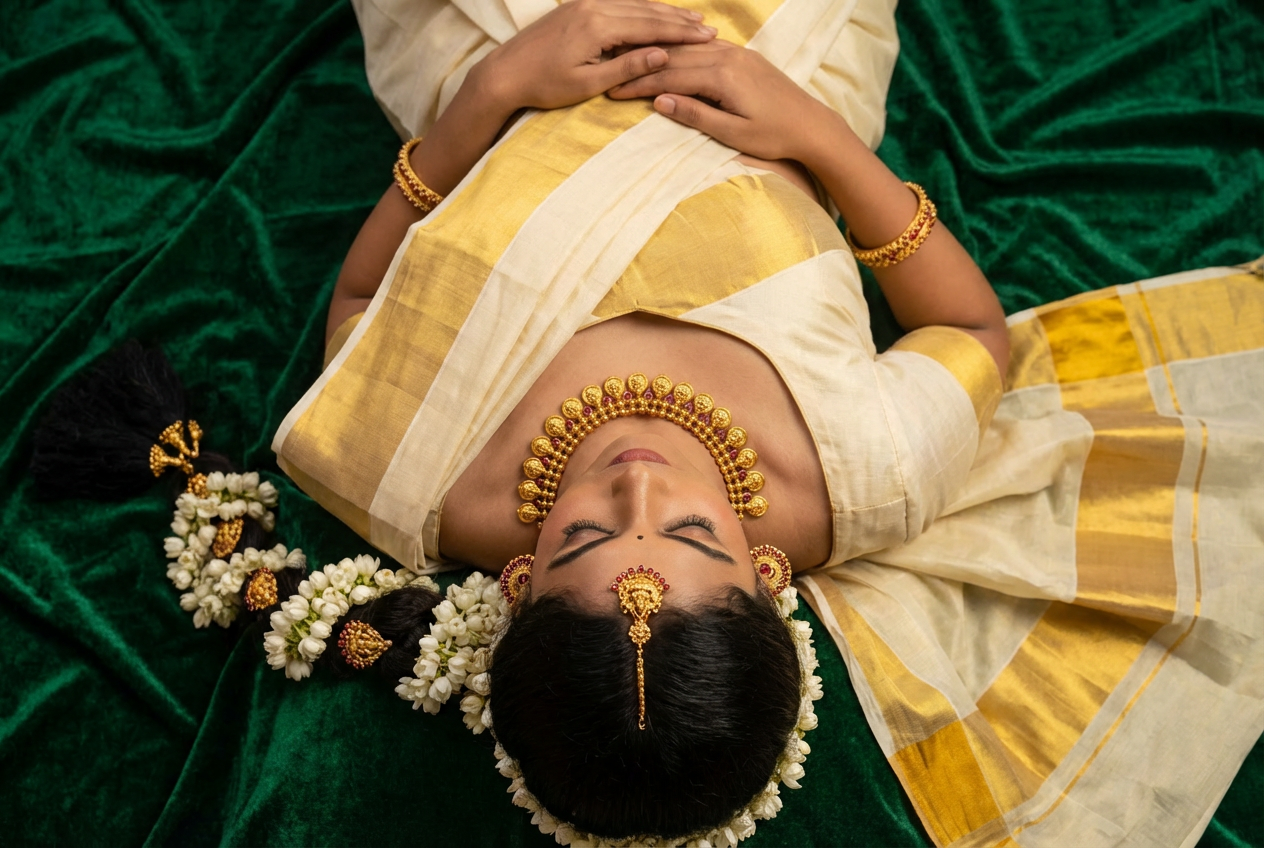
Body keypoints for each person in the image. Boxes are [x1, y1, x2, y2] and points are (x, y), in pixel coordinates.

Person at [269, 0, 1264, 844]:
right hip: (777, 49)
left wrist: (492, 93)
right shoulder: (868, 474)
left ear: (521, 580)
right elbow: (967, 328)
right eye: (696, 531)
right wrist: (813, 133)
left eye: (583, 533)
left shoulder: (414, 484)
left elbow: (359, 300)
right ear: (768, 573)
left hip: (495, 39)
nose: (640, 482)